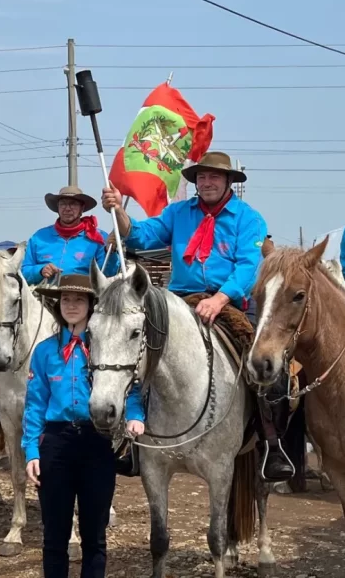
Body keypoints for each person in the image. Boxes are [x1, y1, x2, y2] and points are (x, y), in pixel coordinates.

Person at [102, 150, 294, 481]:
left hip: (230, 301)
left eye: (214, 177)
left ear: (228, 181)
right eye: (201, 177)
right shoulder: (178, 213)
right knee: (139, 352)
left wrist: (220, 299)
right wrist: (118, 210)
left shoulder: (249, 219)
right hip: (181, 300)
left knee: (264, 365)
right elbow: (140, 235)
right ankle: (133, 440)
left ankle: (271, 443)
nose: (206, 183)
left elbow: (249, 266)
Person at [22, 274, 145, 578]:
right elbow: (35, 404)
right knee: (54, 536)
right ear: (57, 305)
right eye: (66, 299)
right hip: (56, 444)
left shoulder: (107, 345)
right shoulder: (44, 352)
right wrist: (30, 451)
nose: (72, 305)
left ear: (92, 304)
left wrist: (135, 415)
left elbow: (130, 384)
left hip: (97, 443)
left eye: (79, 299)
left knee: (95, 536)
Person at [21, 186, 119, 285]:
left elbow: (109, 273)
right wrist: (40, 271)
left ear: (82, 209)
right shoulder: (39, 237)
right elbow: (24, 272)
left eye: (73, 204)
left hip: (85, 297)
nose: (67, 208)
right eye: (63, 204)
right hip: (43, 297)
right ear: (57, 208)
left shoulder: (99, 238)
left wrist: (110, 252)